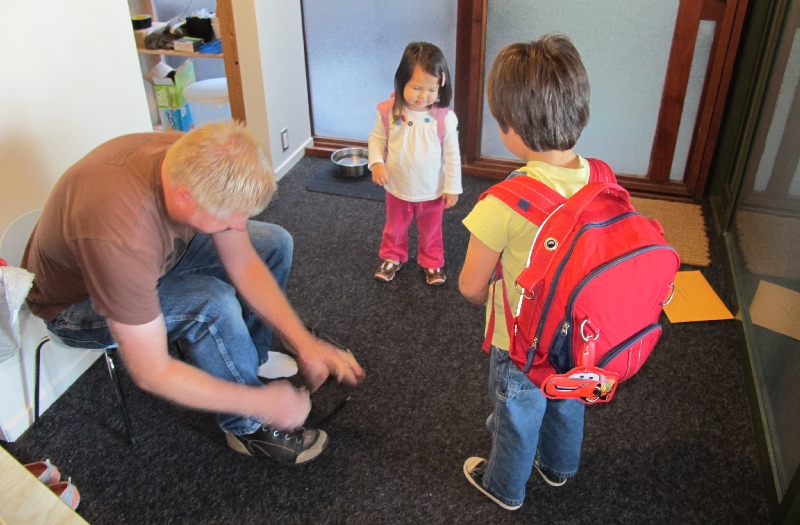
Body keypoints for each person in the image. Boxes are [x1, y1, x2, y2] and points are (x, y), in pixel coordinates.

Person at [22, 121, 365, 465]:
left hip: (146, 262)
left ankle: (249, 361)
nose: (239, 227)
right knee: (211, 303)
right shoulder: (122, 237)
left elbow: (243, 262)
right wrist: (264, 404)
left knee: (274, 243)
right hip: (74, 307)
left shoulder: (196, 156)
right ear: (185, 197)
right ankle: (248, 427)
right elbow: (150, 371)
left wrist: (304, 343)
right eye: (229, 222)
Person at [458, 34, 593, 509]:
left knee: (516, 411)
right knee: (567, 398)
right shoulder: (599, 179)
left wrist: (485, 296)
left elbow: (470, 286)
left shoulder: (503, 202)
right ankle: (558, 467)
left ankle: (504, 487)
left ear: (509, 127)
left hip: (522, 340)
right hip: (579, 333)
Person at [368, 42, 462, 286]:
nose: (423, 96)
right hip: (397, 187)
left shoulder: (444, 118)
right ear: (402, 82)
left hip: (432, 190)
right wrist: (376, 162)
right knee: (395, 227)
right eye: (417, 88)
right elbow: (377, 139)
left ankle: (432, 261)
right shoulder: (390, 112)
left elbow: (452, 155)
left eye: (431, 89)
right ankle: (392, 257)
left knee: (431, 229)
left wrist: (453, 187)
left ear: (441, 86)